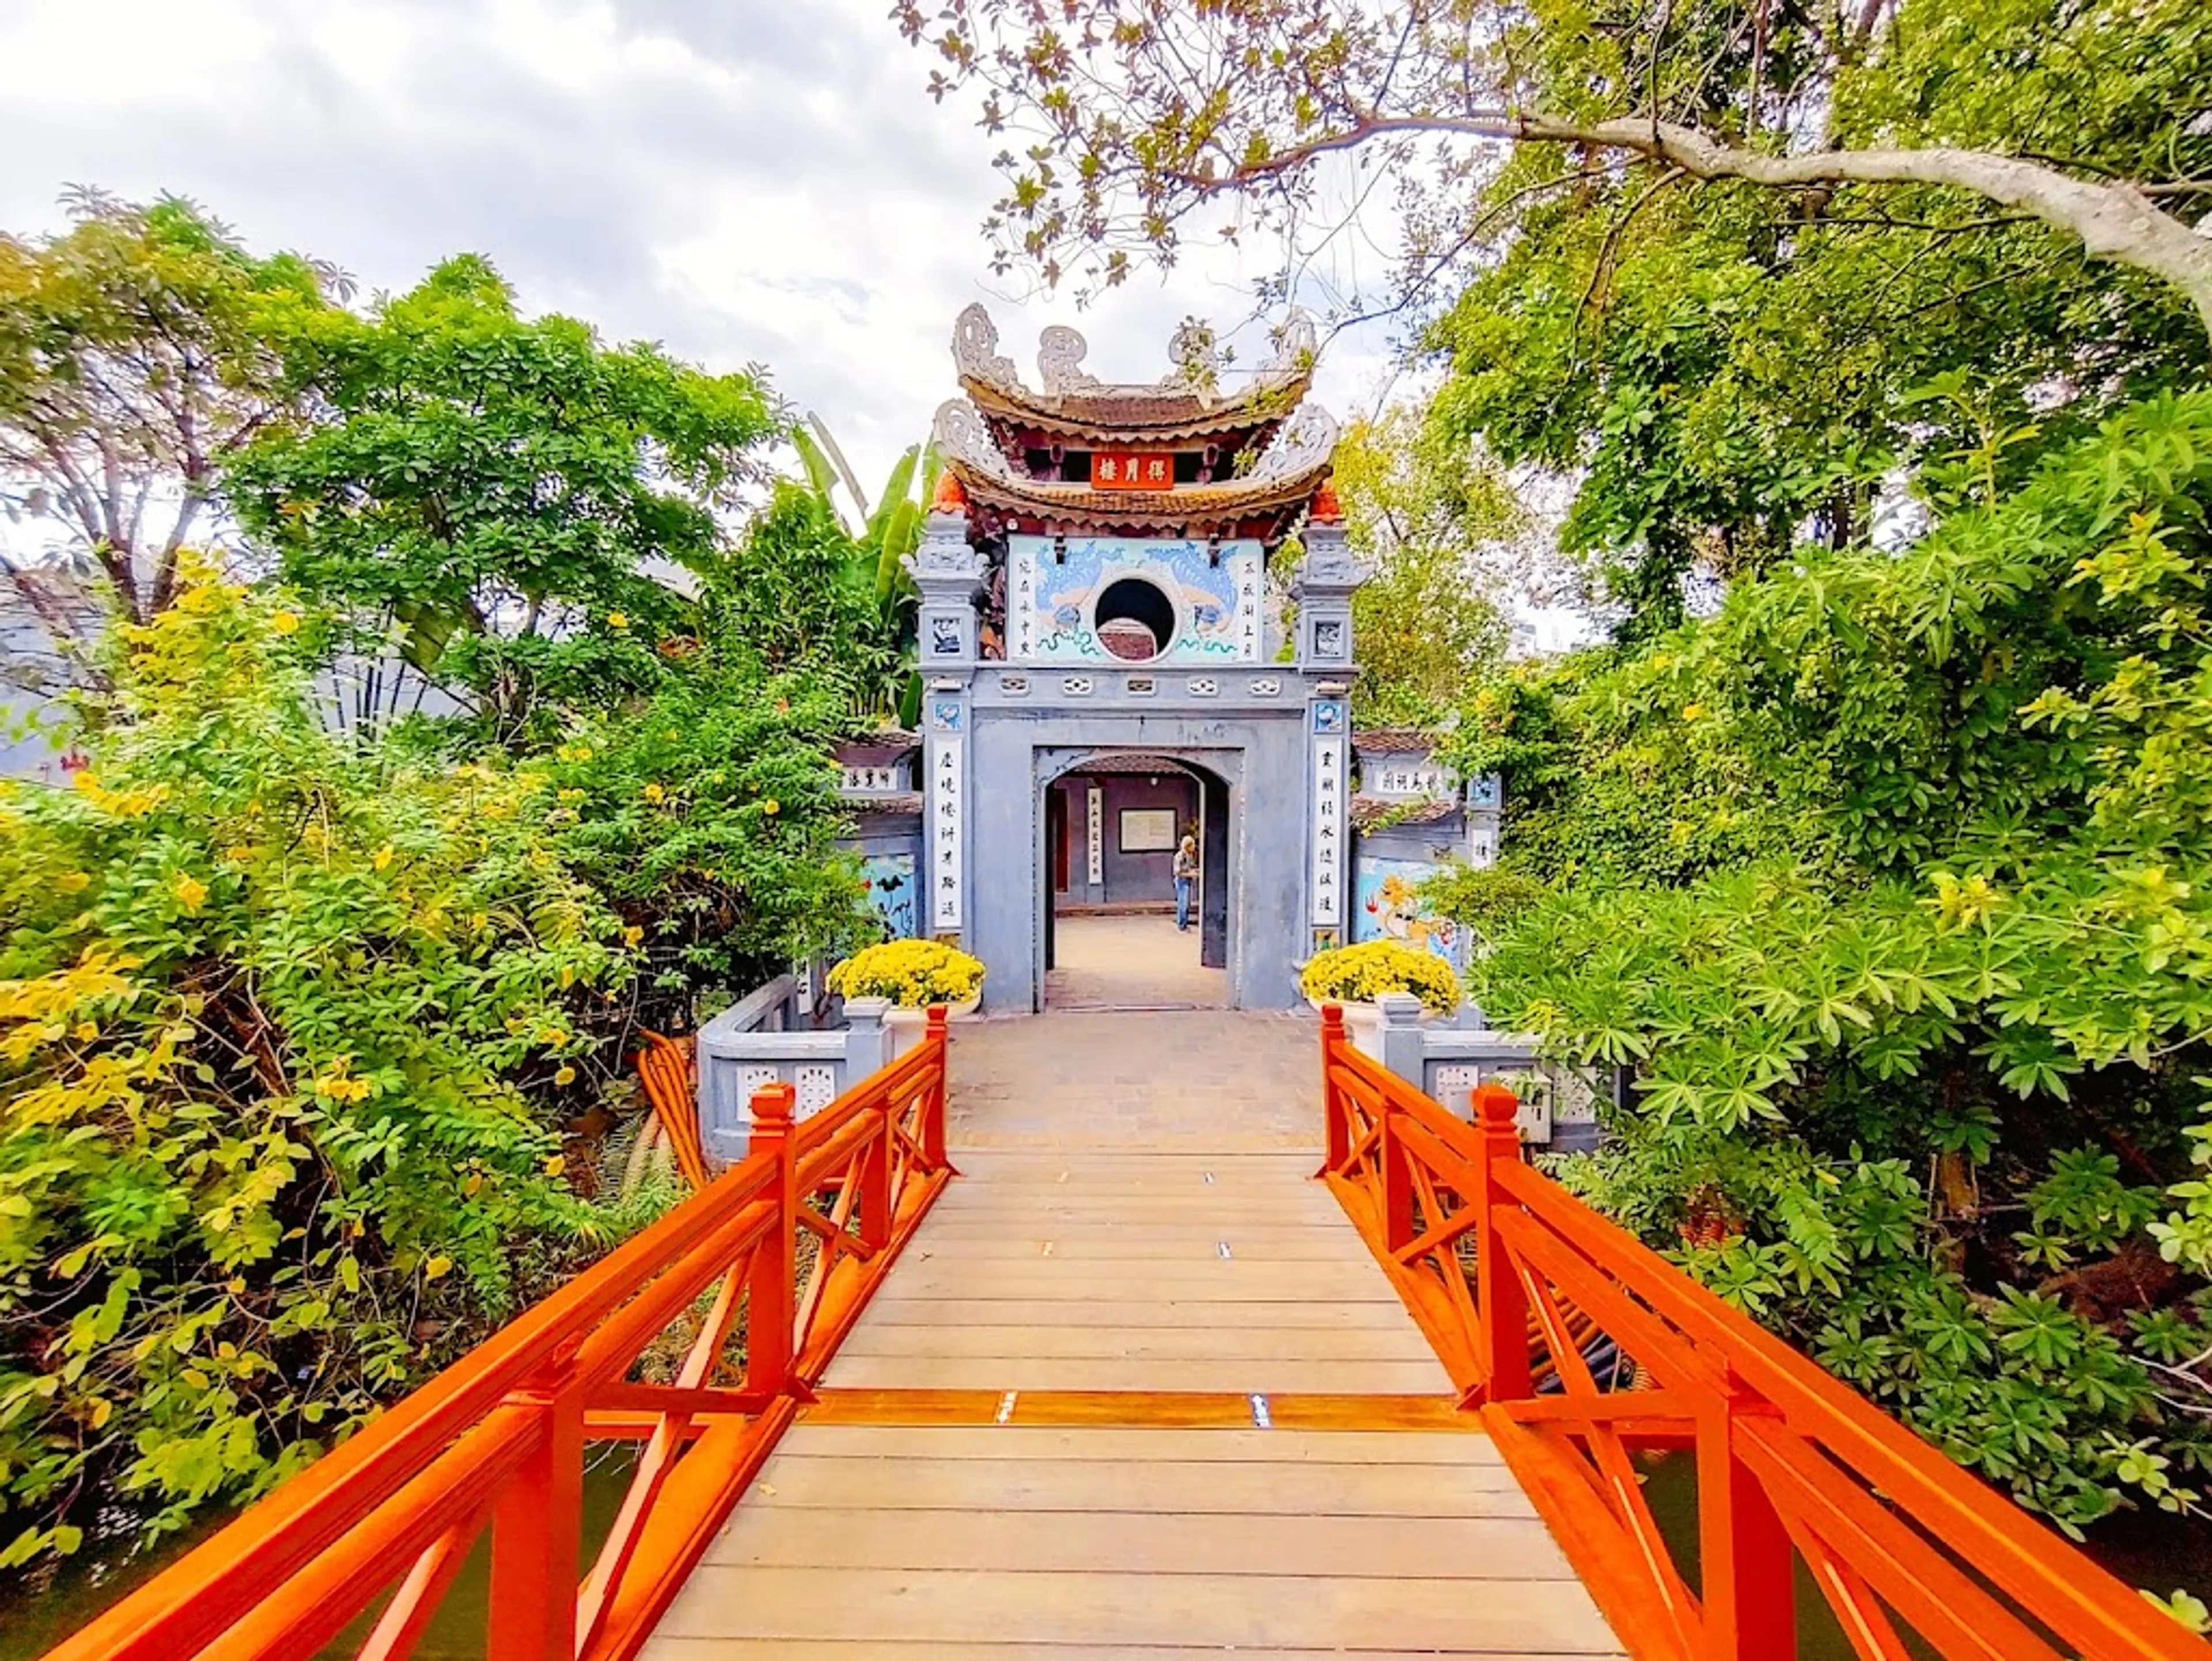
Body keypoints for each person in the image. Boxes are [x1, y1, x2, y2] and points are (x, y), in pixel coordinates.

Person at [1173, 833, 1199, 932]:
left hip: (1187, 881)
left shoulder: (1189, 856)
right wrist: (1191, 875)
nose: (1194, 847)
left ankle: (1184, 923)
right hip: (1181, 881)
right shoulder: (1180, 856)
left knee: (1186, 903)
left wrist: (1195, 871)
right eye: (1193, 845)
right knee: (1183, 903)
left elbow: (1190, 867)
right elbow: (1178, 872)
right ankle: (1181, 924)